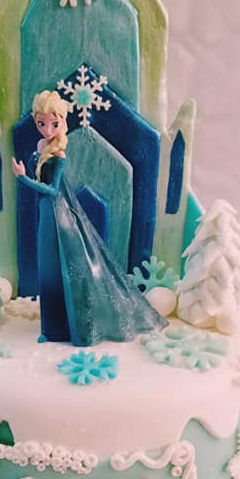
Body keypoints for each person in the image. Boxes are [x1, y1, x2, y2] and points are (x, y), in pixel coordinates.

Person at [12, 90, 164, 346]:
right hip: (45, 213)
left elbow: (52, 190)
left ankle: (67, 327)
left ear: (62, 122)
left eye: (54, 124)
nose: (47, 129)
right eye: (41, 123)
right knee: (46, 269)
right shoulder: (40, 147)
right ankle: (51, 329)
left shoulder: (59, 155)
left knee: (58, 267)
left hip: (58, 215)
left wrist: (23, 178)